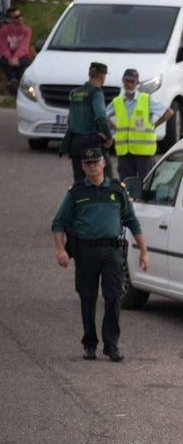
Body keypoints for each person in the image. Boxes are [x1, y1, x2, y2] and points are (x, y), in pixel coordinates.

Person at [51, 146, 149, 362]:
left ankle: (111, 345)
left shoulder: (117, 190)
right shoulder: (76, 193)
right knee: (87, 297)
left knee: (113, 296)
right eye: (88, 164)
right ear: (83, 167)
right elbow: (59, 223)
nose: (92, 167)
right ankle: (90, 344)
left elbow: (131, 221)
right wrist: (60, 250)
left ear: (104, 163)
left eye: (96, 162)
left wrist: (144, 251)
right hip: (86, 251)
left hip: (112, 251)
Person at [105, 68, 173, 180]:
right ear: (123, 80)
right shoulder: (117, 101)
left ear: (137, 83)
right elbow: (103, 115)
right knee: (126, 183)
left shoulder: (146, 99)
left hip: (143, 152)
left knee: (145, 182)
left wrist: (154, 125)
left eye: (132, 82)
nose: (129, 84)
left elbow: (168, 112)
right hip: (124, 151)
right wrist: (113, 126)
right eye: (127, 81)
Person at [60, 62, 115, 183]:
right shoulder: (96, 92)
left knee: (80, 181)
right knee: (105, 180)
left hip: (75, 142)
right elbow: (100, 117)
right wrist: (109, 137)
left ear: (89, 74)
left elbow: (70, 120)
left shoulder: (76, 93)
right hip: (92, 143)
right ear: (102, 76)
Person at [0, 6, 32, 95]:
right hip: (9, 56)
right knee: (3, 62)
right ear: (10, 19)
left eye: (21, 15)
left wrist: (15, 57)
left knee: (24, 62)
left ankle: (16, 82)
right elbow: (3, 47)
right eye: (17, 17)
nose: (20, 18)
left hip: (22, 55)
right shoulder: (4, 31)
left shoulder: (27, 30)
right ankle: (13, 81)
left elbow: (24, 46)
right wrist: (10, 58)